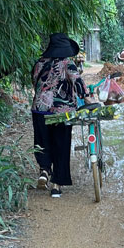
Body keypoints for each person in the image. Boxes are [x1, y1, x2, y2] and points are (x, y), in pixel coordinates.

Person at [31, 33, 88, 198]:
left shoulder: (39, 63)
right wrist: (88, 100)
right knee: (61, 145)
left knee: (42, 142)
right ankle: (56, 185)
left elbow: (35, 83)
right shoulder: (68, 63)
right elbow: (78, 84)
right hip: (62, 113)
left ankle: (44, 170)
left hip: (40, 109)